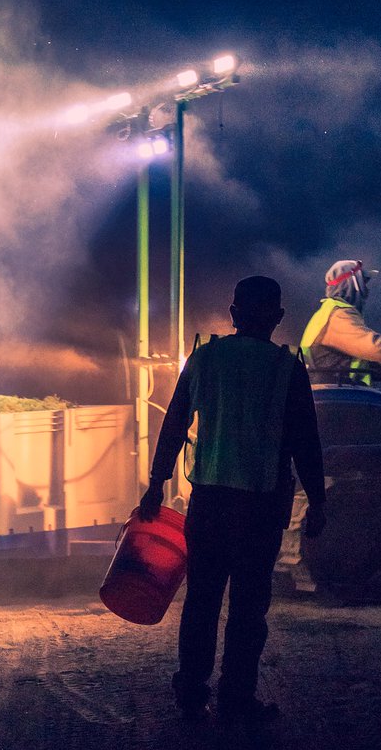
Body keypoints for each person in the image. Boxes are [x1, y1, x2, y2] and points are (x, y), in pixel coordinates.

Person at [138, 275, 327, 724]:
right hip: (259, 508)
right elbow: (306, 442)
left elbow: (174, 426)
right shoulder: (287, 368)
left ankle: (191, 692)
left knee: (201, 601)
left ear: (234, 315)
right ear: (278, 318)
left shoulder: (204, 359)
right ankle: (236, 700)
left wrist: (155, 483)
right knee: (247, 609)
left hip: (208, 503)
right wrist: (318, 501)